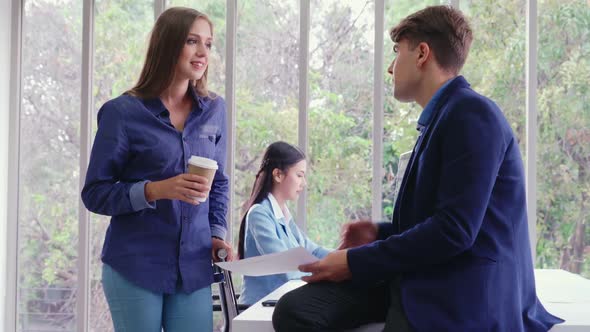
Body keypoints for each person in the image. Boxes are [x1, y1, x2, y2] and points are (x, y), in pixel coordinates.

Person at [272, 5, 563, 332]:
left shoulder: (472, 114)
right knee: (296, 310)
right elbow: (436, 222)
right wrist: (377, 233)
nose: (390, 67)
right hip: (428, 276)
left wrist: (355, 261)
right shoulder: (442, 120)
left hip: (463, 293)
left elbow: (454, 230)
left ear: (422, 53)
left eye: (397, 52)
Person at [81, 7, 232, 332]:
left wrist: (217, 235)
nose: (203, 52)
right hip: (135, 265)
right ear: (168, 44)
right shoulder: (121, 113)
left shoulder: (214, 110)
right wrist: (155, 190)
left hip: (193, 268)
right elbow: (95, 193)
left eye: (208, 43)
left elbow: (219, 182)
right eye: (193, 41)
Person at [236, 141, 330, 305]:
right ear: (278, 175)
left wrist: (349, 257)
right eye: (299, 175)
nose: (304, 183)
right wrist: (324, 274)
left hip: (280, 304)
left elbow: (313, 250)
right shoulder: (259, 214)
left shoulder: (283, 215)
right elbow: (285, 265)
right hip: (259, 309)